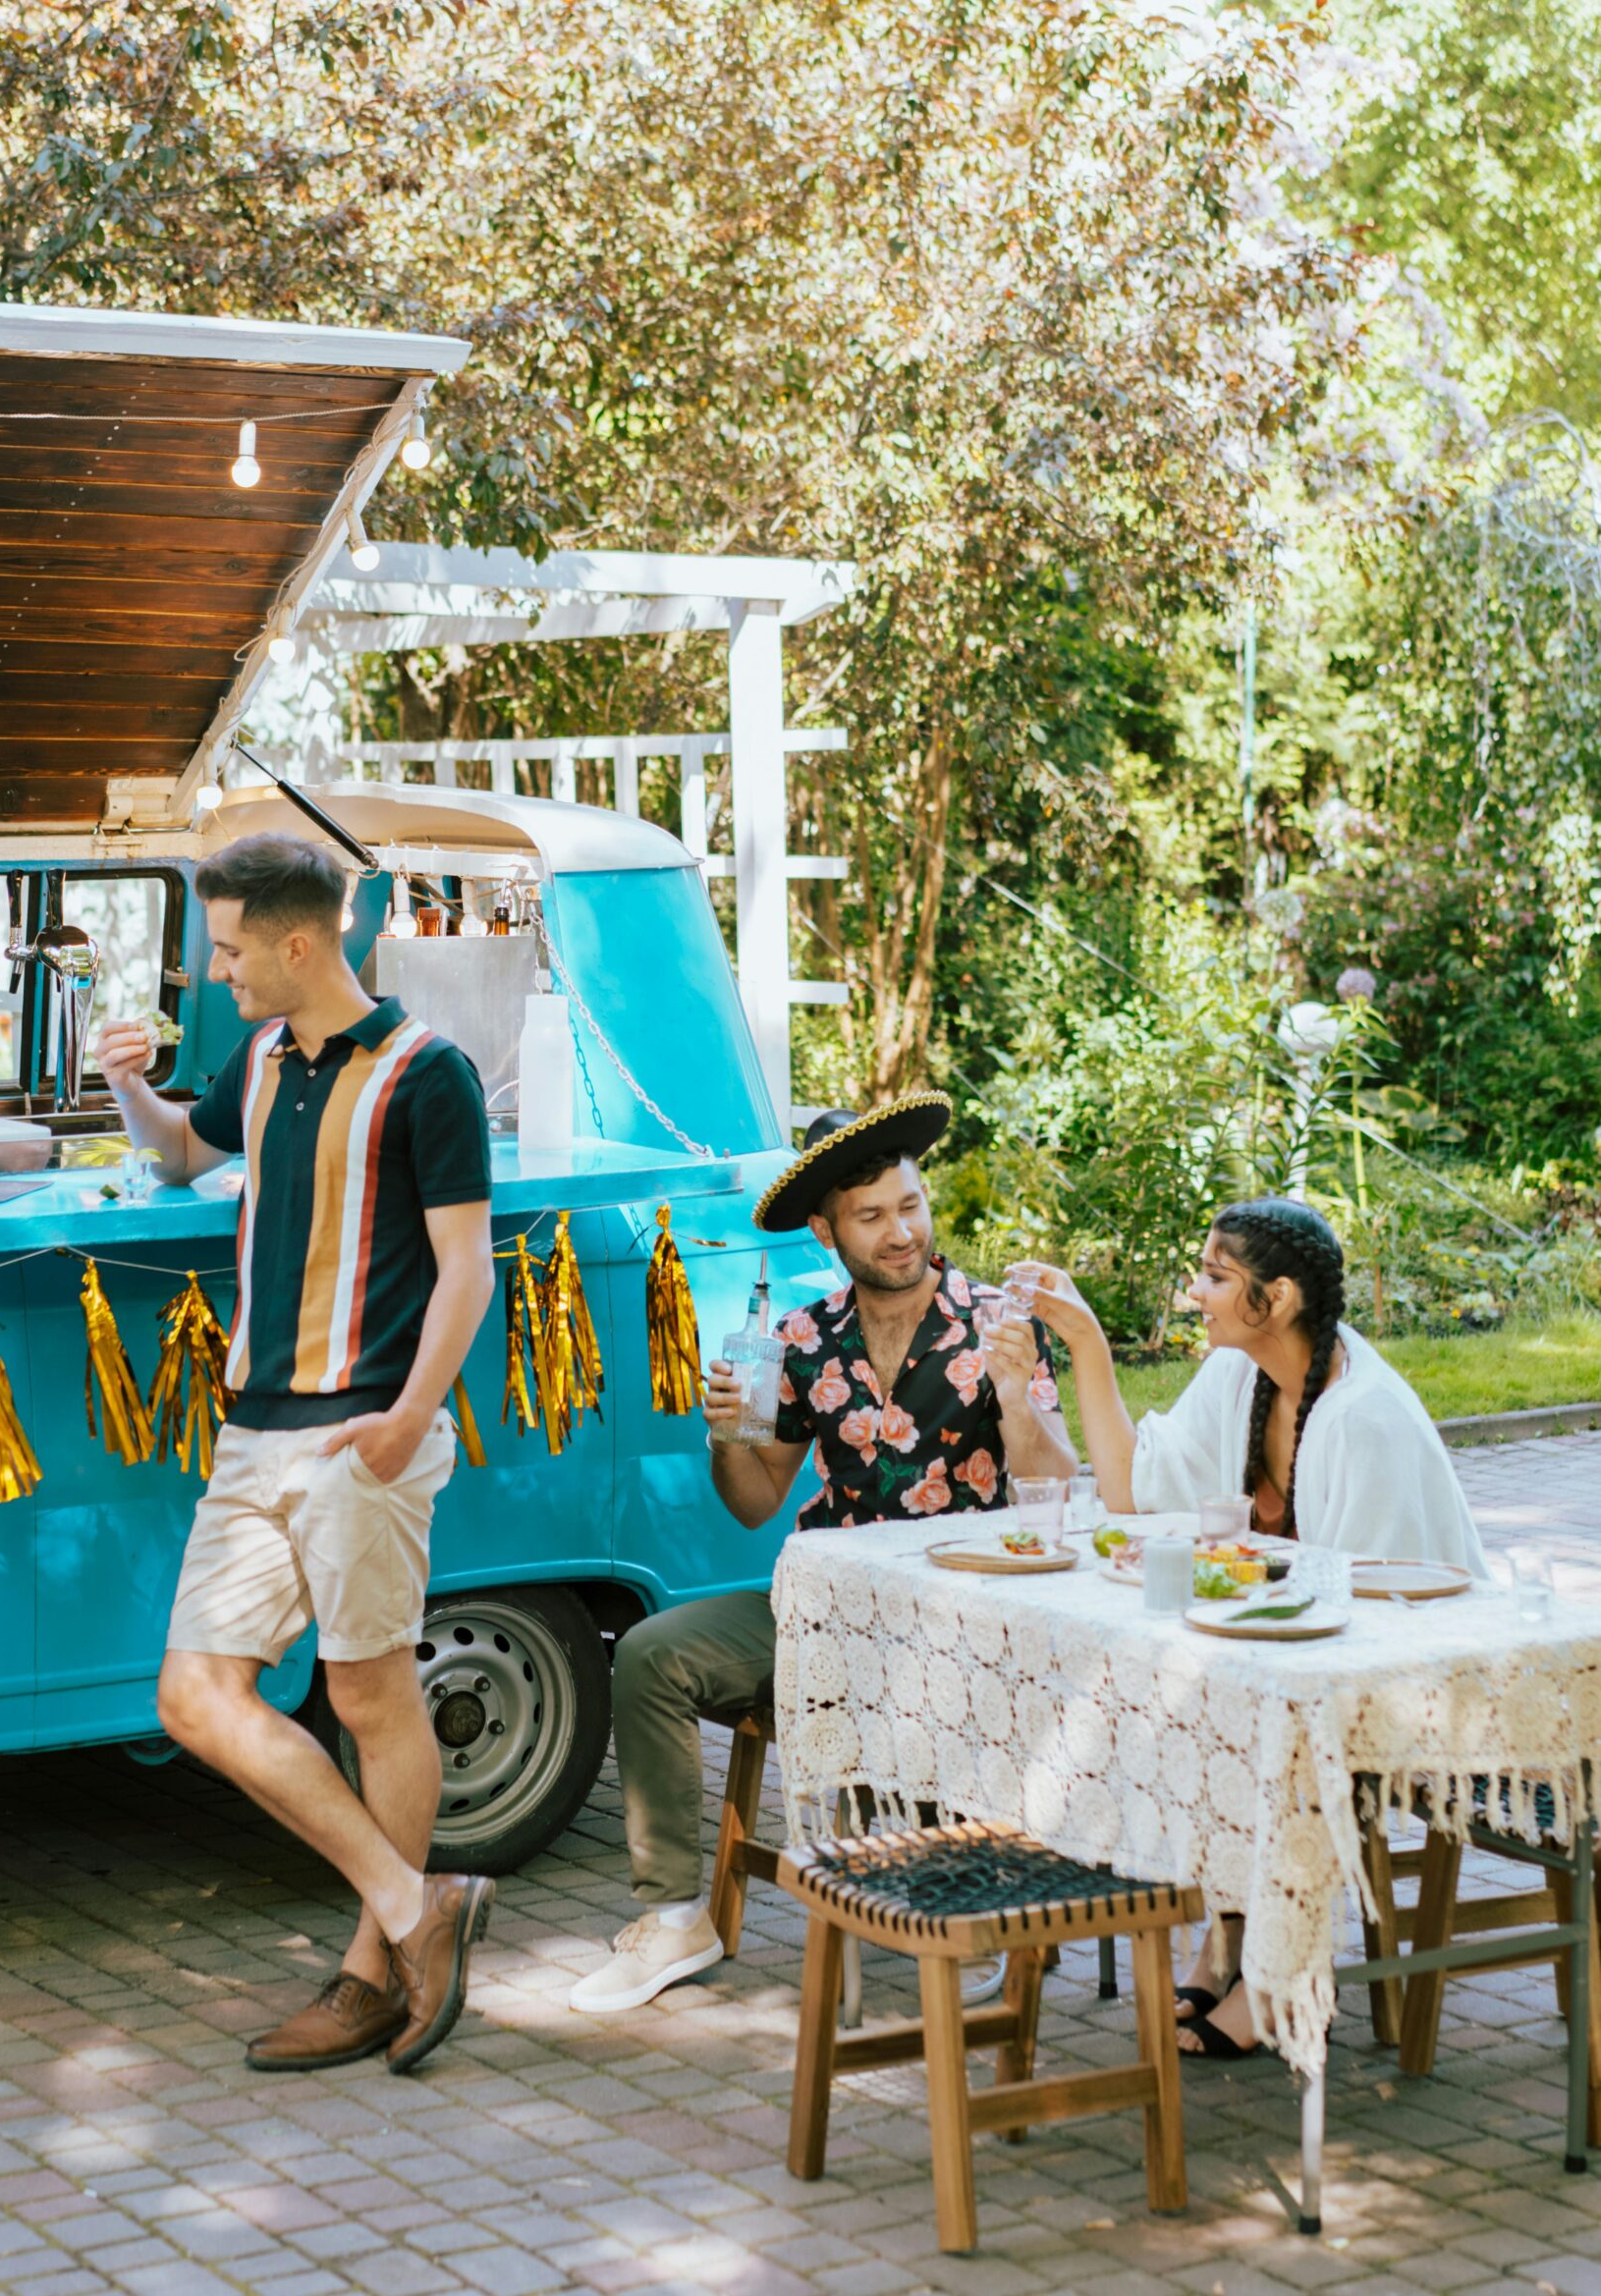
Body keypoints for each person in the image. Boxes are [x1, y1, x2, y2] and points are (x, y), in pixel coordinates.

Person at [94, 831, 497, 2076]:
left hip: (363, 1430)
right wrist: (124, 1084)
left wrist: (413, 1415)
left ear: (299, 941)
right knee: (193, 1696)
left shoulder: (431, 1075)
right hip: (253, 1429)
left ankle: (373, 1975)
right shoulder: (262, 1054)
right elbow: (180, 1150)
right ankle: (415, 1900)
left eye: (226, 949)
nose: (216, 973)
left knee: (371, 1696)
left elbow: (468, 1268)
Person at [569, 1093, 1077, 2015]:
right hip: (824, 1604)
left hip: (960, 1615)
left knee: (932, 1693)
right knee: (649, 1654)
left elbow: (1054, 1492)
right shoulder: (802, 1342)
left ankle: (967, 1899)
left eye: (910, 1207)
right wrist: (725, 1435)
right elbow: (755, 1502)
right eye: (872, 1217)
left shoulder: (994, 1323)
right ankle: (677, 1918)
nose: (900, 1233)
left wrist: (1017, 1400)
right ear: (825, 1230)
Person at [1023, 1191, 1487, 2058]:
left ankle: (1285, 1977)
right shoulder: (1239, 1376)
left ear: (1274, 1301)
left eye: (1214, 1277)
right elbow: (1131, 1495)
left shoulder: (1361, 1418)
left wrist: (1233, 1580)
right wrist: (1085, 1341)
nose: (1193, 1293)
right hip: (1297, 1662)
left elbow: (1372, 1621)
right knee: (1189, 1703)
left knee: (1238, 1717)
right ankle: (1227, 1942)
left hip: (1404, 1681)